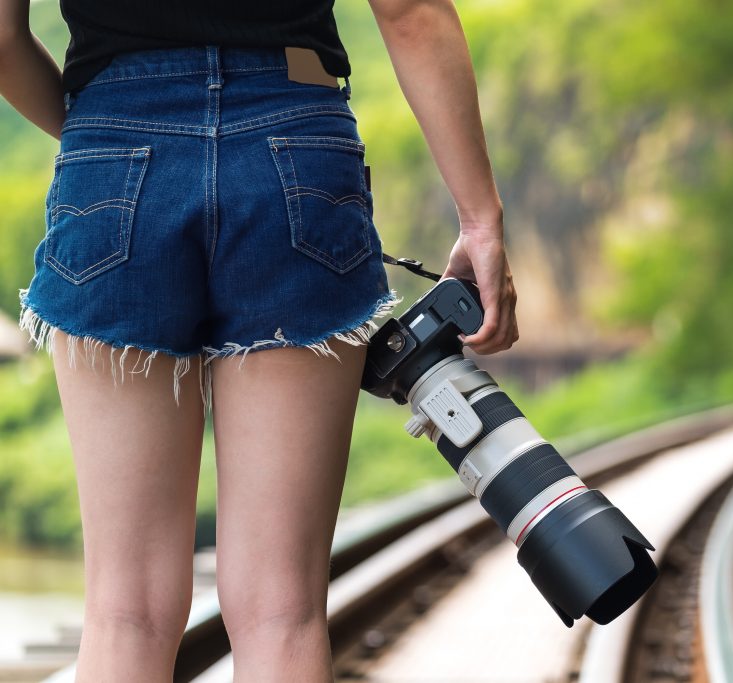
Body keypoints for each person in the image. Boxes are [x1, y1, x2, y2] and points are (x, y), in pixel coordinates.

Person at [0, 0, 518, 680]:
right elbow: (408, 9)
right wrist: (480, 219)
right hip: (293, 143)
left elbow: (4, 36)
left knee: (125, 611)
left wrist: (108, 138)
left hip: (114, 145)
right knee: (282, 609)